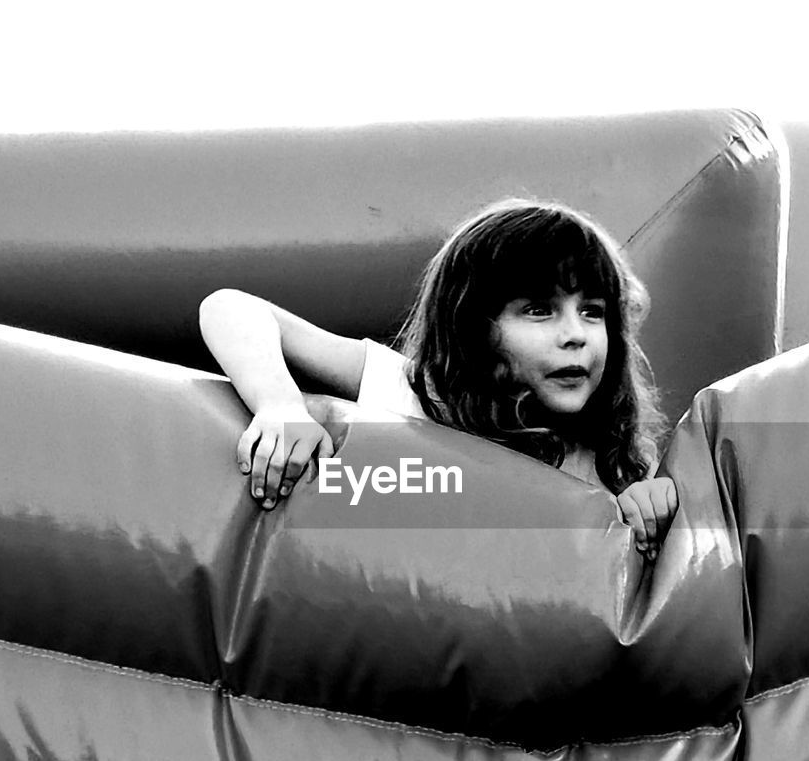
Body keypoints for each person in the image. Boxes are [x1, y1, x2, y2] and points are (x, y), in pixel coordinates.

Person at [199, 198, 679, 559]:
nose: (575, 335)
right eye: (539, 310)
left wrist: (646, 503)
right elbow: (230, 308)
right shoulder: (411, 394)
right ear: (475, 327)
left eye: (593, 312)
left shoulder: (608, 465)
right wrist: (280, 406)